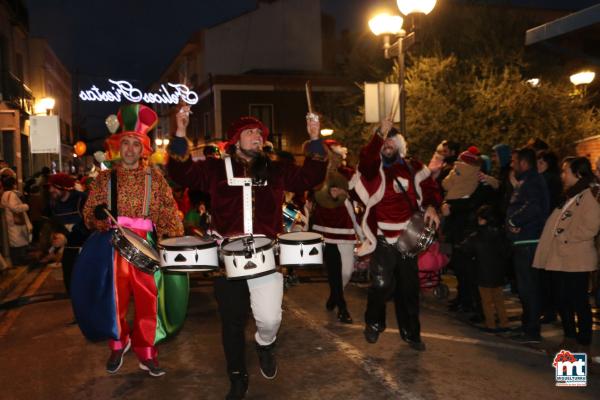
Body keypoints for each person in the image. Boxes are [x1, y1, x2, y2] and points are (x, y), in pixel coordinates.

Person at [167, 107, 327, 399]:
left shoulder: (276, 170)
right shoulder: (216, 169)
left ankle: (265, 344)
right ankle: (237, 377)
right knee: (232, 320)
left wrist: (315, 140)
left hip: (266, 253)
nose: (257, 137)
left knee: (270, 319)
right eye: (250, 132)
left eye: (259, 134)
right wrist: (180, 132)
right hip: (227, 255)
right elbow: (180, 171)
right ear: (235, 140)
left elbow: (309, 177)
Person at [83, 104, 184, 377]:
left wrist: (171, 238)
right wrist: (98, 216)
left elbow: (167, 211)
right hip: (113, 245)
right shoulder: (105, 178)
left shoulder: (155, 178)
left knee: (148, 301)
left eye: (135, 145)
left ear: (144, 149)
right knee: (114, 300)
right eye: (125, 143)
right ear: (119, 146)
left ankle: (146, 352)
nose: (130, 150)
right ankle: (118, 343)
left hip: (146, 245)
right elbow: (90, 212)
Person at [353, 118, 441, 351]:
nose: (387, 144)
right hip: (382, 237)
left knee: (408, 290)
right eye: (384, 140)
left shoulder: (413, 167)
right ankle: (374, 323)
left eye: (391, 140)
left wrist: (431, 205)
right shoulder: (373, 169)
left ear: (400, 144)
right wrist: (378, 135)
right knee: (381, 284)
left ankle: (411, 334)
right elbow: (365, 160)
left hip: (408, 237)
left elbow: (430, 188)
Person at [533, 157, 600, 351]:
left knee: (578, 302)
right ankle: (569, 338)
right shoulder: (571, 195)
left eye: (565, 171)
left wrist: (565, 237)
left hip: (576, 258)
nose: (563, 175)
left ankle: (583, 343)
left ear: (577, 174)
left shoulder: (590, 195)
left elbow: (591, 227)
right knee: (562, 300)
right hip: (561, 257)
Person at [309, 139, 361, 324]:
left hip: (345, 225)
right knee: (333, 268)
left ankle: (334, 295)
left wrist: (346, 194)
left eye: (338, 156)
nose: (335, 160)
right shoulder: (317, 172)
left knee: (346, 271)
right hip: (324, 226)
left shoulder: (348, 174)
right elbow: (309, 193)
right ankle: (342, 307)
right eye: (332, 155)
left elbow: (360, 194)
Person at [506, 147, 549, 344]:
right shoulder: (527, 181)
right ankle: (527, 325)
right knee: (525, 288)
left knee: (529, 288)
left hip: (529, 241)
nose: (511, 165)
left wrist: (515, 221)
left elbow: (533, 207)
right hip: (523, 241)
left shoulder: (531, 181)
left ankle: (532, 330)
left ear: (523, 163)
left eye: (514, 162)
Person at [459, 205, 510, 332]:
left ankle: (491, 324)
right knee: (499, 299)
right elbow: (507, 251)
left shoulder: (478, 235)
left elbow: (466, 249)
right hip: (498, 272)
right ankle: (504, 323)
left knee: (486, 301)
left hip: (482, 272)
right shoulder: (501, 234)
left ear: (483, 219)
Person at [47, 173, 89, 296]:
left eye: (54, 187)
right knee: (70, 286)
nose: (51, 190)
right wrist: (54, 239)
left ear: (64, 187)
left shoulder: (82, 199)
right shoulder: (54, 204)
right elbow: (55, 224)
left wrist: (66, 237)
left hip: (87, 249)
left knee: (89, 287)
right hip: (69, 250)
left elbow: (88, 224)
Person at [1, 175, 32, 265]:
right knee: (19, 241)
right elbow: (14, 207)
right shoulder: (11, 194)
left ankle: (17, 260)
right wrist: (26, 206)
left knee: (15, 241)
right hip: (15, 222)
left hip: (10, 221)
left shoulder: (5, 194)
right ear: (13, 184)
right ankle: (19, 261)